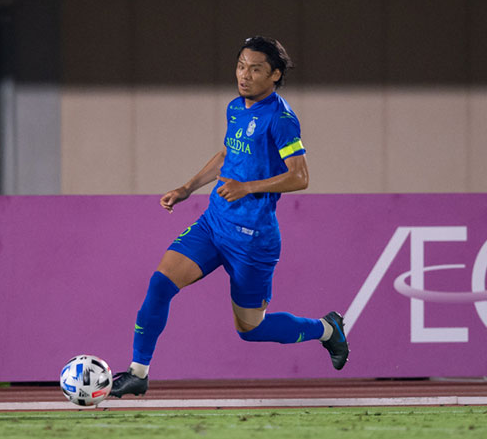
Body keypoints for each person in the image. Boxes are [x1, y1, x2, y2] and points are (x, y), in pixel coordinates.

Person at [110, 36, 349, 398]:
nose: (244, 75)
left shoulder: (281, 119)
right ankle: (137, 373)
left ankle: (327, 330)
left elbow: (300, 177)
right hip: (213, 224)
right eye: (240, 66)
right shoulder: (236, 107)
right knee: (160, 284)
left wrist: (247, 187)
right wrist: (187, 188)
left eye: (255, 69)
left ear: (275, 75)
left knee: (251, 329)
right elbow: (226, 155)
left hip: (252, 240)